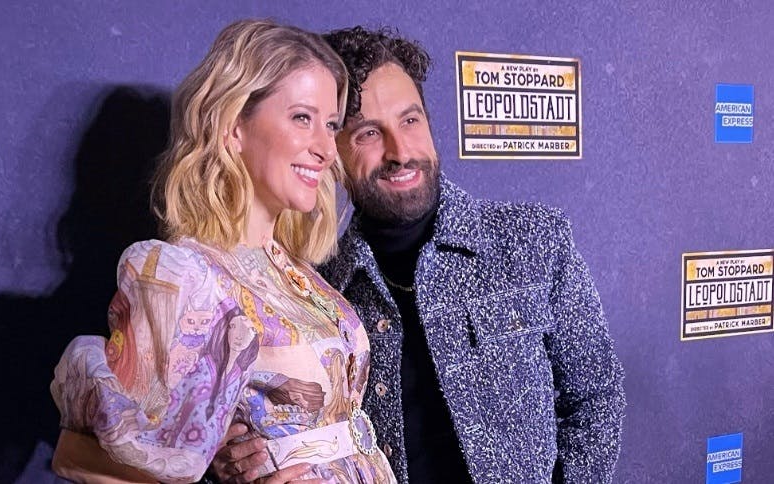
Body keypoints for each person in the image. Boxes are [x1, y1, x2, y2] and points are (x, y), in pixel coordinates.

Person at [212, 26, 626, 483]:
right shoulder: (316, 287)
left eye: (410, 121)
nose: (400, 152)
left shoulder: (532, 240)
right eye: (369, 133)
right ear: (332, 151)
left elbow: (596, 397)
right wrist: (227, 463)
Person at [49, 19, 397, 484]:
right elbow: (77, 457)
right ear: (233, 127)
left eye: (330, 125)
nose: (325, 148)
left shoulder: (297, 272)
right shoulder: (186, 277)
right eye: (302, 118)